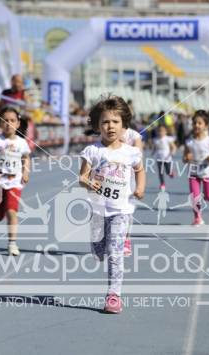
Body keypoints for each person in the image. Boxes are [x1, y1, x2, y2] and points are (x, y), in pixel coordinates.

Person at [79, 95, 146, 314]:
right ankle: (99, 248)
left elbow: (139, 170)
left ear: (124, 125)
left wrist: (140, 188)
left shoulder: (131, 152)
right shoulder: (92, 151)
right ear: (97, 125)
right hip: (98, 210)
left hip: (121, 210)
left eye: (115, 122)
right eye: (105, 122)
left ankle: (114, 295)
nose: (110, 126)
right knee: (99, 251)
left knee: (115, 254)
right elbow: (82, 178)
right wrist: (90, 183)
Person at [0, 107, 31, 256]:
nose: (8, 123)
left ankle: (12, 244)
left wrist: (26, 172)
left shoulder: (22, 143)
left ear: (18, 123)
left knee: (11, 211)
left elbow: (26, 158)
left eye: (12, 120)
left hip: (14, 183)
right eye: (5, 120)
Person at [183, 110, 209, 226]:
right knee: (195, 197)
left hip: (207, 173)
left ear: (206, 125)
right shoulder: (189, 142)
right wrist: (187, 158)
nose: (196, 125)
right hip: (193, 174)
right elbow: (184, 158)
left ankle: (207, 194)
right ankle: (197, 218)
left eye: (199, 123)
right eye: (194, 123)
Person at [119, 124, 143, 257]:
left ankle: (126, 240)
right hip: (110, 179)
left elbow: (138, 157)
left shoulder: (134, 135)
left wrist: (124, 146)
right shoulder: (108, 131)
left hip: (129, 180)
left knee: (127, 212)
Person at [152, 124, 177, 190]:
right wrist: (153, 152)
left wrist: (173, 152)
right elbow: (155, 148)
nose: (161, 133)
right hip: (159, 158)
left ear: (166, 132)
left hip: (167, 158)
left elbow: (173, 147)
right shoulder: (156, 140)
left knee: (167, 171)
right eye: (159, 131)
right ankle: (162, 184)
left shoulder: (167, 139)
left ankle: (170, 173)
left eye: (162, 131)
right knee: (161, 172)